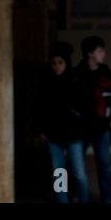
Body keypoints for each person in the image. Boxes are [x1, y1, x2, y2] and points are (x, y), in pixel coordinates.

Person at [34, 42, 90, 203]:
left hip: (73, 136)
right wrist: (41, 129)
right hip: (53, 136)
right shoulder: (46, 83)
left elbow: (83, 108)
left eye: (60, 62)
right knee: (58, 174)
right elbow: (39, 108)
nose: (57, 67)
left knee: (79, 174)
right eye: (54, 63)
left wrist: (79, 125)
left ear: (66, 63)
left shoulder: (75, 82)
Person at [74, 36, 111, 203]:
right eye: (100, 51)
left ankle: (108, 198)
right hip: (81, 129)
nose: (104, 54)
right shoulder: (78, 72)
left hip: (101, 128)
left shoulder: (105, 71)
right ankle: (70, 195)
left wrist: (108, 119)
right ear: (89, 53)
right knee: (75, 167)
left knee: (105, 165)